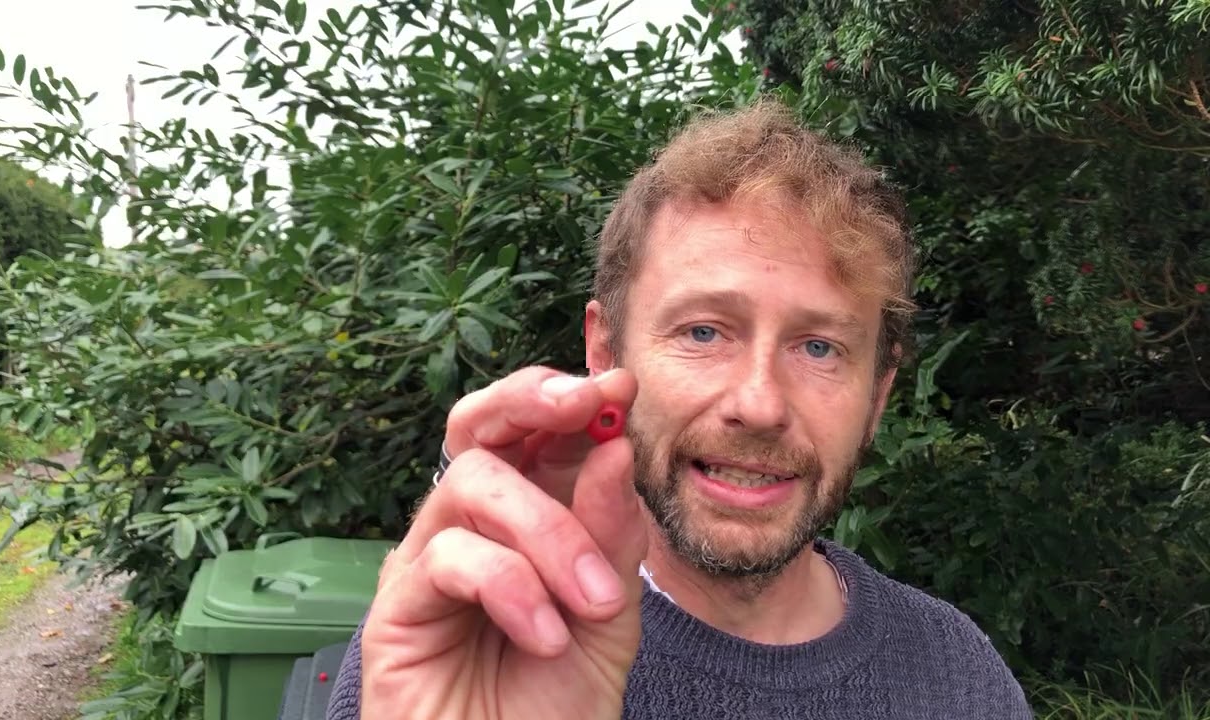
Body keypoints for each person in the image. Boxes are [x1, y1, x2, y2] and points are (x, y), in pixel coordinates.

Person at [325, 99, 1034, 719]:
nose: (759, 404)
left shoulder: (958, 677)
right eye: (703, 332)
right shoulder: (468, 646)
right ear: (604, 353)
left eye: (819, 348)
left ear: (877, 396)